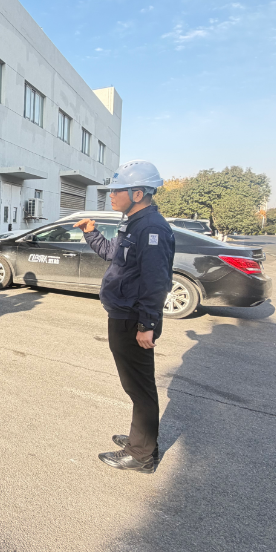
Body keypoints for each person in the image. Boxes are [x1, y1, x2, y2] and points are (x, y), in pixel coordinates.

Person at [74, 160, 175, 474]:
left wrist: (147, 325)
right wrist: (91, 232)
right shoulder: (133, 223)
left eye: (117, 191)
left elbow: (156, 281)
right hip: (123, 315)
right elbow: (112, 253)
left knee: (139, 387)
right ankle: (140, 439)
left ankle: (141, 455)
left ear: (138, 193)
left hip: (134, 319)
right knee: (135, 386)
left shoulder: (152, 227)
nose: (111, 196)